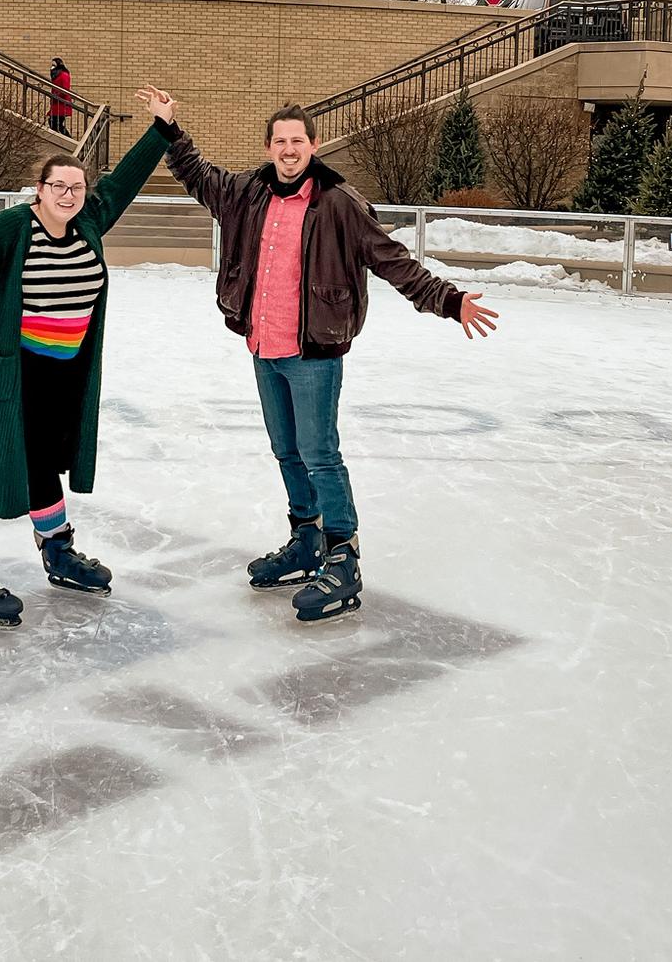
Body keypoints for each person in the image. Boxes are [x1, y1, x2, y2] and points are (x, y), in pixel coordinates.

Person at [136, 86, 498, 623]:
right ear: (267, 148)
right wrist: (168, 127)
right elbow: (198, 174)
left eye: (297, 140)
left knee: (319, 453)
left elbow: (392, 260)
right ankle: (306, 542)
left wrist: (448, 299)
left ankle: (343, 557)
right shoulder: (247, 194)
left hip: (314, 352)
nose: (288, 148)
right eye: (280, 140)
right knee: (287, 451)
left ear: (313, 144)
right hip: (264, 345)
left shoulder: (338, 203)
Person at [0, 111, 169, 628]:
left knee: (43, 458)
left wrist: (159, 130)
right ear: (40, 190)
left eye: (77, 187)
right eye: (58, 186)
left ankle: (58, 551)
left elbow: (124, 184)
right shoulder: (9, 229)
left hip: (58, 374)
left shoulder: (87, 221)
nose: (68, 195)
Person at [48, 57, 72, 135]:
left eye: (54, 65)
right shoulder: (56, 75)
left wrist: (56, 95)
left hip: (61, 103)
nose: (52, 67)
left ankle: (67, 139)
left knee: (56, 123)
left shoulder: (64, 75)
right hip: (56, 103)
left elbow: (65, 89)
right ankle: (63, 138)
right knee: (54, 122)